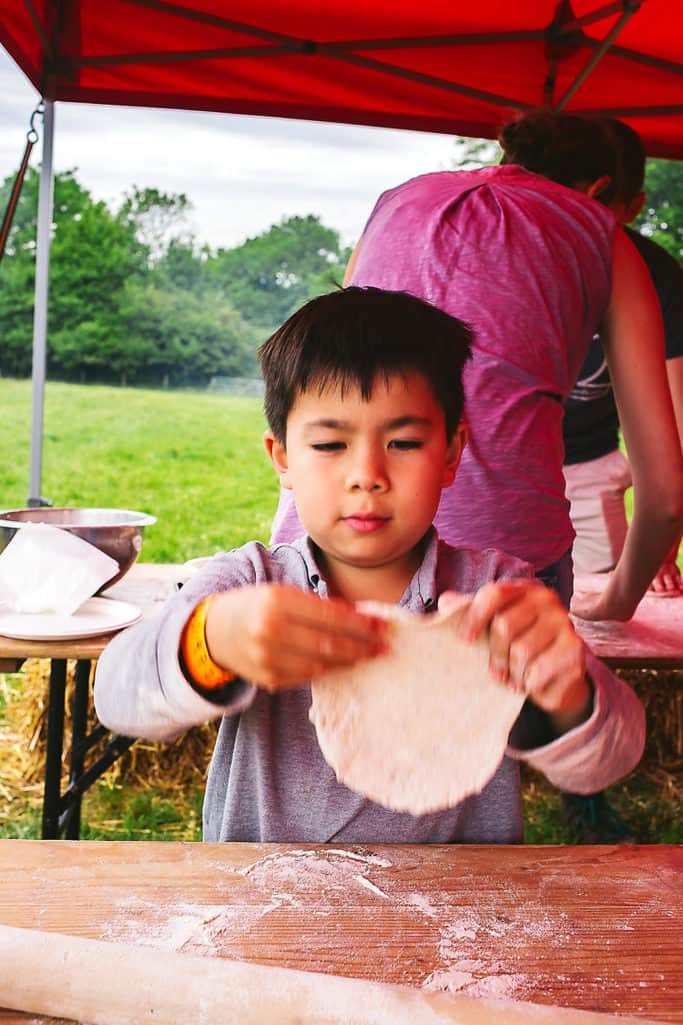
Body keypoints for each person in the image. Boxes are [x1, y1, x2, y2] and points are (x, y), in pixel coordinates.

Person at [94, 287, 645, 845]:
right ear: (282, 457)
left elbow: (606, 762)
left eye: (404, 442)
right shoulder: (248, 586)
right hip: (263, 908)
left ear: (452, 453)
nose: (368, 474)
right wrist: (211, 642)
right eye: (331, 445)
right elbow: (118, 695)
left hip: (455, 915)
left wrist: (567, 686)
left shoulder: (494, 595)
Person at [270, 111, 683, 625]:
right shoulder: (602, 235)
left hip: (327, 541)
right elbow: (665, 493)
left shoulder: (396, 202)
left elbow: (327, 370)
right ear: (600, 191)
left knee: (309, 707)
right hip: (505, 573)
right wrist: (614, 609)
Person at [563, 118, 683, 593]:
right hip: (490, 461)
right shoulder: (496, 252)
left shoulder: (657, 275)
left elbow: (676, 419)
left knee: (596, 602)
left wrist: (658, 542)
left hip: (590, 467)